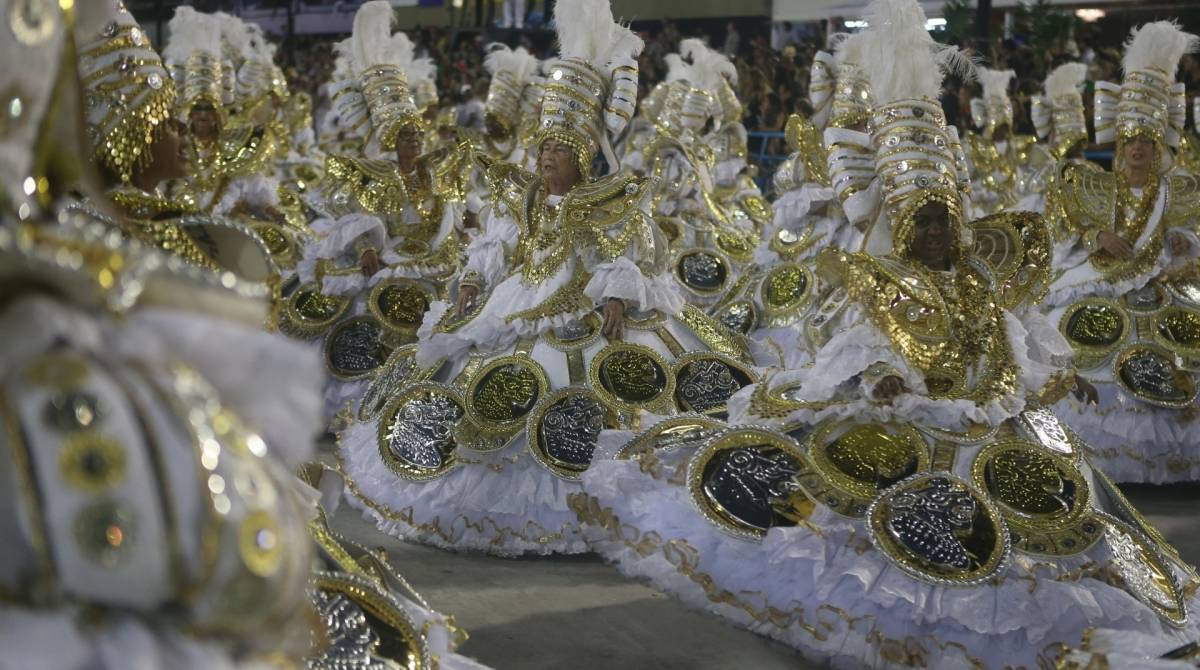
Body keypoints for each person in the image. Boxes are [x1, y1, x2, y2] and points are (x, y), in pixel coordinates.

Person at [577, 4, 1200, 668]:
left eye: (943, 226)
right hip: (898, 418)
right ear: (902, 230)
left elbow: (1016, 336)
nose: (935, 237)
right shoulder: (881, 281)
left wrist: (1053, 371)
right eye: (923, 227)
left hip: (985, 422)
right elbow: (865, 343)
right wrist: (884, 379)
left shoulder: (974, 278)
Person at [335, 0, 757, 557]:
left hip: (584, 308)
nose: (544, 158)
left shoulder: (606, 201)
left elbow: (634, 254)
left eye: (557, 150)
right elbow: (493, 247)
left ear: (583, 155)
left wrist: (613, 295)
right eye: (543, 148)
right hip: (518, 302)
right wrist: (469, 283)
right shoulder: (527, 199)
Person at [1040, 21, 1200, 484]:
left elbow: (1191, 238)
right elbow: (1067, 234)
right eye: (1130, 141)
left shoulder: (1179, 192)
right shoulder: (1094, 187)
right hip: (1106, 279)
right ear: (1119, 143)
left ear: (1160, 146)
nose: (1137, 150)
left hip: (1165, 284)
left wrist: (1180, 247)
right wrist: (1098, 239)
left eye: (1147, 143)